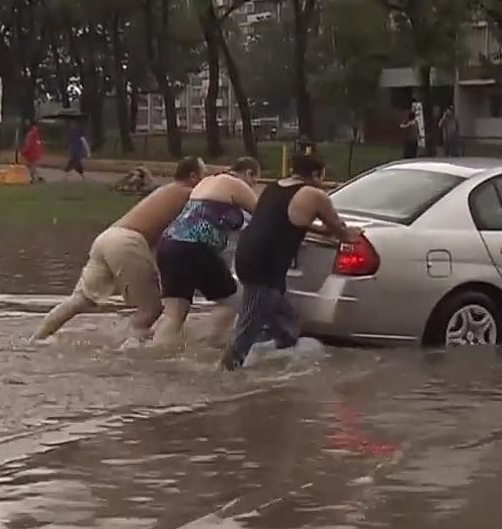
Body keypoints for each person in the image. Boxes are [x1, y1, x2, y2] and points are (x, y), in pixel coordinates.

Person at [31, 158, 206, 344]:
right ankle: (127, 350)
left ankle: (37, 338)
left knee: (81, 299)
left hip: (108, 237)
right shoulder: (189, 193)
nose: (206, 181)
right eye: (204, 175)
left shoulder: (167, 190)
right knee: (151, 309)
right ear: (193, 176)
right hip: (127, 241)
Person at [220, 154, 362, 371]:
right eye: (322, 177)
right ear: (316, 174)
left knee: (285, 323)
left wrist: (319, 230)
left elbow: (291, 219)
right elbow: (339, 229)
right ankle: (224, 373)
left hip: (247, 254)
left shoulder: (274, 188)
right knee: (249, 326)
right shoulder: (314, 195)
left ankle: (279, 362)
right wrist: (349, 233)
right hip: (265, 263)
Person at [150, 157, 262, 350]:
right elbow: (264, 214)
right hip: (194, 248)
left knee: (175, 314)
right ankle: (213, 344)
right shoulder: (234, 183)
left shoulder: (208, 182)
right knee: (236, 299)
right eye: (255, 180)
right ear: (248, 173)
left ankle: (155, 354)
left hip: (169, 245)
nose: (253, 186)